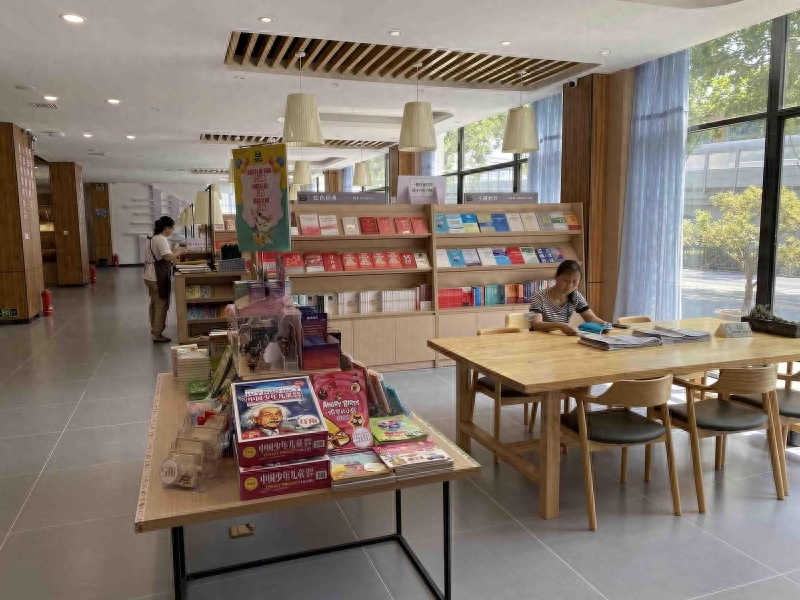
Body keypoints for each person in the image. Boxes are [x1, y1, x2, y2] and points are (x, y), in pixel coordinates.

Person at [528, 260, 609, 336]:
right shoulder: (539, 297)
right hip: (540, 338)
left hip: (561, 338)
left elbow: (590, 318)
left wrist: (604, 324)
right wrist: (560, 326)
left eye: (575, 282)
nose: (569, 286)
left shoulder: (576, 296)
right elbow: (536, 325)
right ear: (556, 276)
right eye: (566, 280)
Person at [143, 216, 183, 343]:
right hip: (156, 276)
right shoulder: (161, 239)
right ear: (166, 228)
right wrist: (179, 252)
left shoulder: (151, 237)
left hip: (148, 275)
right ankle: (157, 334)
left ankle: (155, 328)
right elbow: (167, 257)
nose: (173, 230)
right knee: (161, 304)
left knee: (154, 303)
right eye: (172, 228)